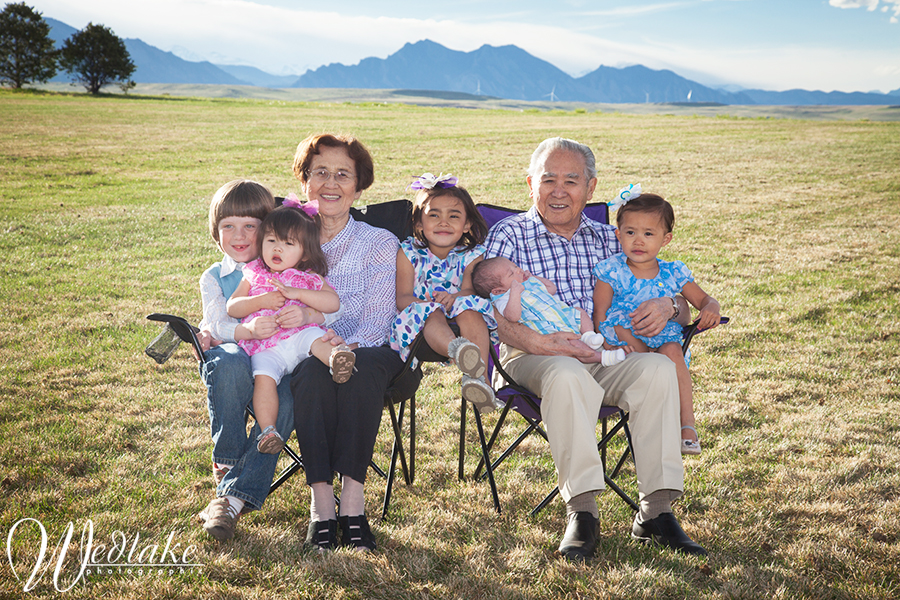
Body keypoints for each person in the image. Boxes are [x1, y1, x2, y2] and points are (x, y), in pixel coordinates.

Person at [484, 136, 707, 561]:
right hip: (533, 354)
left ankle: (656, 512)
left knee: (658, 370)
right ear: (530, 184)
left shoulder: (615, 238)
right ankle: (582, 512)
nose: (559, 190)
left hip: (608, 353)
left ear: (590, 188)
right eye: (548, 179)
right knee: (567, 374)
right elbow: (489, 314)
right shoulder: (509, 235)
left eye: (572, 180)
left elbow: (678, 293)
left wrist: (670, 306)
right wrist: (542, 343)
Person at [289, 133, 419, 553]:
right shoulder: (287, 239)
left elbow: (379, 318)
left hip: (372, 348)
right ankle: (321, 505)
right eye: (320, 172)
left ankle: (353, 504)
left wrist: (343, 348)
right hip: (306, 346)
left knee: (357, 370)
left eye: (343, 174)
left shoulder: (377, 241)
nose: (331, 183)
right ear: (305, 180)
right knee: (311, 371)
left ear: (359, 186)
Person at [195, 179, 339, 541]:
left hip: (284, 361)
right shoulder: (215, 277)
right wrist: (246, 330)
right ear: (216, 233)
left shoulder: (289, 266)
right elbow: (217, 322)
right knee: (227, 360)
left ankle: (229, 500)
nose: (239, 235)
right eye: (228, 226)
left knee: (287, 404)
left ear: (268, 229)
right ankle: (226, 459)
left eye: (251, 226)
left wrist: (308, 317)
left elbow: (330, 308)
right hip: (240, 362)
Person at [593, 187, 721, 455]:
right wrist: (606, 342)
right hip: (627, 342)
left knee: (673, 350)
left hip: (664, 340)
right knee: (618, 327)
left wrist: (712, 307)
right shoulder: (610, 271)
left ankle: (687, 424)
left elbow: (704, 300)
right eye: (630, 232)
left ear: (666, 239)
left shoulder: (673, 272)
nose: (638, 241)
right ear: (618, 235)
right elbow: (600, 313)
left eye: (648, 234)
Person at [226, 199, 356, 455]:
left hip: (300, 337)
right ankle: (268, 431)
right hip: (266, 345)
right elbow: (232, 307)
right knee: (263, 379)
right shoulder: (253, 273)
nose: (278, 248)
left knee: (316, 337)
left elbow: (332, 303)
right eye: (272, 240)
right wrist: (259, 302)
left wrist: (299, 293)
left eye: (288, 243)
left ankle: (337, 360)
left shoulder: (308, 277)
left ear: (305, 253)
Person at [389, 172, 501, 413]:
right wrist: (428, 303)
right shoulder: (409, 252)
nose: (443, 222)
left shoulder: (472, 254)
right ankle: (458, 350)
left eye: (454, 216)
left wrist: (454, 298)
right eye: (434, 215)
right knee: (431, 313)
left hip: (459, 308)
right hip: (423, 317)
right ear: (419, 223)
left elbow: (470, 290)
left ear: (467, 224)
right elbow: (403, 298)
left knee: (471, 309)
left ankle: (478, 380)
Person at [471, 256, 627, 367]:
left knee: (580, 312)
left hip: (564, 317)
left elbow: (551, 289)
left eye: (515, 266)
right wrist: (515, 293)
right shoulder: (503, 298)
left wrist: (535, 278)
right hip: (551, 329)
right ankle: (602, 358)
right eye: (511, 273)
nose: (518, 271)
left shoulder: (529, 282)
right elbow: (512, 316)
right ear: (497, 290)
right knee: (573, 345)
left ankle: (588, 335)